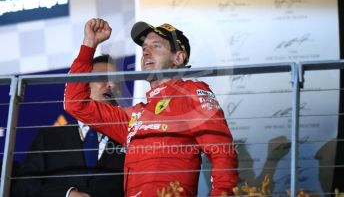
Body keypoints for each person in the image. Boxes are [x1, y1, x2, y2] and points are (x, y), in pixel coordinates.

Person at [64, 18, 238, 196]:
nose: (146, 52)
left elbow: (222, 151)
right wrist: (89, 45)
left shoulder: (191, 92)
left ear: (178, 58)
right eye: (144, 48)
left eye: (155, 45)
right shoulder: (134, 114)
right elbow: (75, 104)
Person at [12, 55, 125, 197]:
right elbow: (23, 188)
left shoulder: (130, 139)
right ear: (84, 86)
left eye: (117, 82)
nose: (111, 85)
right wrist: (66, 194)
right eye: (103, 78)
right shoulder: (48, 138)